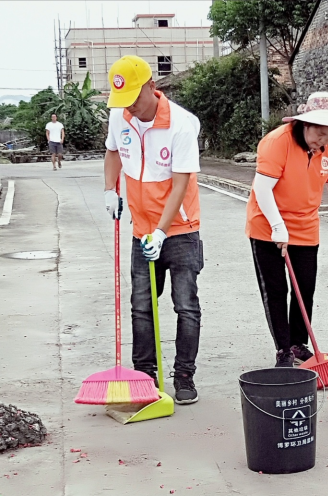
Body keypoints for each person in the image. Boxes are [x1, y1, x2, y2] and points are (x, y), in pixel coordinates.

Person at [102, 55, 204, 405]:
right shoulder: (120, 116)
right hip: (140, 230)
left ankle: (184, 376)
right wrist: (109, 190)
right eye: (123, 100)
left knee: (185, 305)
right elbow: (112, 153)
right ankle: (145, 375)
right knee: (141, 305)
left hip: (180, 230)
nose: (129, 106)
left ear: (151, 86)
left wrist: (162, 232)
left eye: (134, 96)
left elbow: (179, 185)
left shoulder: (181, 124)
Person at [246, 92, 328, 367]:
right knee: (276, 290)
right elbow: (262, 189)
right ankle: (283, 349)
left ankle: (298, 343)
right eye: (320, 134)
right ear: (304, 124)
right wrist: (277, 226)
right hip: (267, 226)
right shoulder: (277, 142)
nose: (324, 142)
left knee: (305, 288)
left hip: (306, 226)